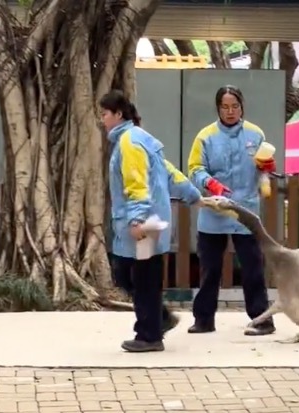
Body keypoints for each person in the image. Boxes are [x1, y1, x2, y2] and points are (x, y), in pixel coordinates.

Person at [100, 90, 204, 353]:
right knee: (132, 275)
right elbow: (168, 173)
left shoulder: (129, 142)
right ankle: (159, 320)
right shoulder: (143, 139)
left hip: (142, 224)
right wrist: (192, 194)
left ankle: (149, 335)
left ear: (118, 114)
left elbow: (136, 182)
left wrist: (137, 218)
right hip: (152, 221)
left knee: (139, 277)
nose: (102, 120)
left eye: (104, 114)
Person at [187, 85, 277, 336]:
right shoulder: (205, 136)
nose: (230, 111)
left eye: (234, 106)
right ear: (218, 108)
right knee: (210, 270)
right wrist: (209, 182)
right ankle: (203, 320)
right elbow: (194, 168)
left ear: (242, 107)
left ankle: (262, 320)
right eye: (225, 107)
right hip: (214, 211)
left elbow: (263, 170)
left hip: (246, 213)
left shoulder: (255, 134)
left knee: (253, 269)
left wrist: (267, 167)